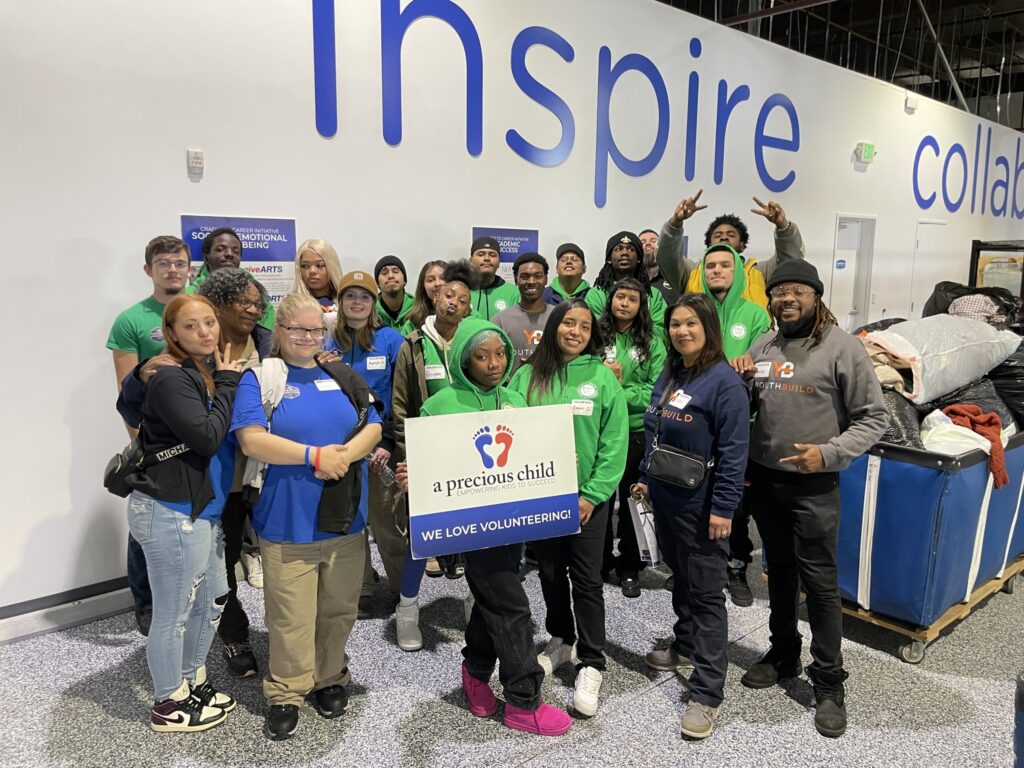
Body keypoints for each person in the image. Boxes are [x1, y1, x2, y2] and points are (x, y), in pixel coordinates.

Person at [394, 318, 572, 736]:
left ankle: (474, 674)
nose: (494, 364)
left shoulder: (515, 400)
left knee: (491, 602)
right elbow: (430, 464)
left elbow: (533, 455)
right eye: (481, 355)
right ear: (462, 359)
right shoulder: (440, 405)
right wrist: (413, 475)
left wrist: (560, 462)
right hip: (469, 527)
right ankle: (524, 701)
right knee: (512, 608)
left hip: (513, 523)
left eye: (500, 354)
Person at [731, 261, 886, 739]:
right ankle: (783, 654)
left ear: (815, 297)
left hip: (815, 484)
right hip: (766, 480)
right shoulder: (763, 347)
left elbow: (873, 418)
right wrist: (739, 380)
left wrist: (830, 453)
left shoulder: (843, 347)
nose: (787, 299)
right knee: (778, 571)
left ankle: (829, 681)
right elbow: (751, 408)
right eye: (779, 293)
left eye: (798, 291)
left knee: (819, 582)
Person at [231, 292, 383, 741]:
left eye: (315, 329)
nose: (307, 337)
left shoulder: (341, 374)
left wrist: (343, 457)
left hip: (345, 521)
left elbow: (373, 423)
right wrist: (314, 455)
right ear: (279, 331)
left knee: (337, 610)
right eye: (297, 329)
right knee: (291, 617)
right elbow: (252, 441)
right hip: (287, 522)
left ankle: (330, 677)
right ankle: (286, 692)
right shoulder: (261, 379)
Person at [117, 268, 273, 677]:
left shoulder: (267, 347)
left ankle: (201, 668)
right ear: (221, 305)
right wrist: (139, 376)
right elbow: (137, 410)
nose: (253, 309)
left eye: (258, 303)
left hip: (257, 477)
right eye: (243, 302)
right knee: (209, 582)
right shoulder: (181, 364)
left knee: (225, 581)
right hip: (202, 490)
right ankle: (230, 640)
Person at [119, 293, 243, 732]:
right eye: (191, 326)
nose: (205, 332)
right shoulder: (174, 376)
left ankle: (192, 682)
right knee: (173, 613)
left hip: (201, 510)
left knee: (210, 600)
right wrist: (229, 383)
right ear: (171, 333)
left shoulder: (198, 370)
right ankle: (168, 704)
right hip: (171, 511)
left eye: (209, 322)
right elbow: (208, 437)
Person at [635, 294, 750, 740]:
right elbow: (655, 428)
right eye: (675, 324)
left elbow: (734, 453)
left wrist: (723, 508)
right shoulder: (673, 372)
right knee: (680, 580)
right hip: (666, 499)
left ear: (708, 328)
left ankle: (707, 691)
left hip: (702, 508)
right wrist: (645, 475)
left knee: (705, 595)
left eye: (690, 324)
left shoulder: (724, 383)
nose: (681, 331)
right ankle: (684, 646)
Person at [508, 301, 628, 718]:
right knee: (548, 572)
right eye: (568, 323)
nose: (575, 331)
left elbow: (615, 444)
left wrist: (592, 495)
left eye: (584, 326)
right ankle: (561, 639)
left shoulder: (602, 378)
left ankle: (593, 661)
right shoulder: (527, 375)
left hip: (586, 500)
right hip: (543, 497)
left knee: (587, 580)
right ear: (554, 327)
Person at [106, 235, 191, 635]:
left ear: (190, 267)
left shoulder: (199, 311)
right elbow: (127, 389)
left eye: (179, 262)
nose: (172, 269)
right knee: (145, 526)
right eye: (163, 263)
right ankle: (145, 602)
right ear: (148, 270)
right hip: (153, 442)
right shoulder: (131, 320)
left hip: (197, 434)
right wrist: (144, 444)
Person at [390, 261, 478, 649]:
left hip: (471, 458)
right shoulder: (412, 345)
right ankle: (407, 611)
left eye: (462, 299)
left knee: (477, 532)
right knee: (420, 538)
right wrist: (412, 461)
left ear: (470, 308)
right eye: (447, 295)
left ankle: (477, 602)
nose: (453, 303)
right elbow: (400, 410)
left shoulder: (477, 343)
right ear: (434, 296)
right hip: (426, 459)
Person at [325, 270, 406, 618]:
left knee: (388, 525)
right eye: (350, 296)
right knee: (352, 525)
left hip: (380, 450)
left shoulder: (391, 340)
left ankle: (405, 592)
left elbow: (402, 394)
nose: (357, 302)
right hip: (341, 450)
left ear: (373, 303)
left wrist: (388, 439)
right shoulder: (327, 344)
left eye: (364, 297)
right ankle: (362, 589)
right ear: (340, 303)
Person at [696, 243, 771, 606]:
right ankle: (700, 565)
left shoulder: (755, 315)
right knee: (699, 495)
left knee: (735, 504)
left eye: (725, 265)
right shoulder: (695, 310)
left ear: (737, 271)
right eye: (710, 265)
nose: (717, 271)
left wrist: (751, 367)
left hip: (740, 420)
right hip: (700, 421)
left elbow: (767, 362)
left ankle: (737, 567)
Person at [597, 278, 666, 598]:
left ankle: (629, 567)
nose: (624, 303)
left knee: (631, 502)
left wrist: (618, 390)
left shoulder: (652, 341)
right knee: (600, 501)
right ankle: (597, 562)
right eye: (619, 297)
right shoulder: (596, 335)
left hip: (637, 431)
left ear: (642, 306)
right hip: (599, 430)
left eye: (632, 299)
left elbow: (658, 390)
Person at [654, 190, 806, 309]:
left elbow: (790, 262)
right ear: (709, 245)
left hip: (752, 347)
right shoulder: (692, 272)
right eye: (718, 235)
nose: (724, 238)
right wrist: (675, 223)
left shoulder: (761, 272)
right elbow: (667, 257)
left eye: (731, 235)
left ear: (741, 246)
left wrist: (783, 226)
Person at [187, 227, 276, 331]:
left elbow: (266, 333)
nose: (229, 254)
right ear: (206, 256)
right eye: (220, 249)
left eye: (236, 251)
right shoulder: (191, 295)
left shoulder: (257, 294)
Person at [590, 232, 668, 333]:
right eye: (618, 249)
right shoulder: (596, 294)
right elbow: (594, 331)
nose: (625, 253)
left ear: (639, 259)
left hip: (646, 347)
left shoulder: (653, 295)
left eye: (631, 249)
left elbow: (661, 330)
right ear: (609, 259)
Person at [493, 252, 554, 375]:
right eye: (525, 276)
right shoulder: (500, 321)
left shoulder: (558, 316)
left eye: (538, 276)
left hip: (551, 389)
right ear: (516, 280)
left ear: (546, 279)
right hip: (512, 391)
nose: (531, 281)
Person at [542, 243, 604, 318]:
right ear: (556, 269)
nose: (568, 262)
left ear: (584, 268)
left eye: (574, 259)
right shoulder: (543, 295)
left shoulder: (593, 297)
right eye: (563, 259)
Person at [293, 238, 343, 328]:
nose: (312, 271)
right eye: (305, 266)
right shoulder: (292, 305)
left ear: (331, 266)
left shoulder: (347, 302)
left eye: (319, 265)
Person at [468, 235, 520, 320]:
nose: (487, 258)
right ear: (470, 261)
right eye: (481, 254)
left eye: (492, 255)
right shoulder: (461, 291)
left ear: (499, 262)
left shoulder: (514, 293)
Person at [403, 260, 447, 336]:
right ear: (423, 287)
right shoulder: (412, 324)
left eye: (443, 278)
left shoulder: (466, 318)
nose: (437, 283)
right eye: (430, 280)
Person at [375, 255, 415, 330]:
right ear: (377, 284)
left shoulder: (418, 309)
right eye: (384, 272)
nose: (390, 276)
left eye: (396, 271)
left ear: (405, 280)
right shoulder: (370, 313)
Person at [640, 228, 677, 304]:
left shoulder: (675, 277)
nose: (648, 243)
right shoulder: (631, 279)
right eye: (643, 242)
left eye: (653, 241)